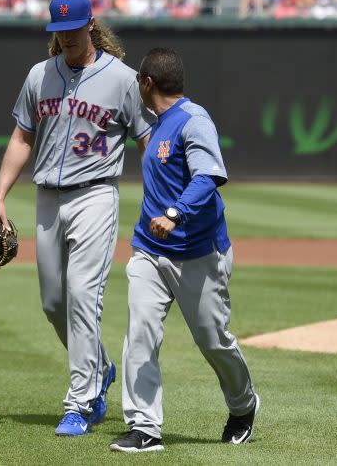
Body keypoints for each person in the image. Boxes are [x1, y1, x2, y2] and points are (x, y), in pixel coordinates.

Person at [0, 0, 153, 436]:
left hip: (95, 196)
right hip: (46, 200)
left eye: (73, 29)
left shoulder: (122, 79)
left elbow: (146, 141)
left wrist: (160, 198)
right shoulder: (40, 75)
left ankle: (80, 402)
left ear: (90, 25)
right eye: (58, 31)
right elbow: (22, 137)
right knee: (53, 302)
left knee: (82, 297)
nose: (66, 37)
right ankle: (99, 365)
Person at [109, 48, 259, 453]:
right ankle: (144, 428)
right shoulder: (157, 123)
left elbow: (209, 174)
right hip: (149, 251)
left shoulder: (194, 121)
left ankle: (244, 405)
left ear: (147, 83)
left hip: (198, 252)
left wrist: (174, 212)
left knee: (213, 340)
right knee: (140, 333)